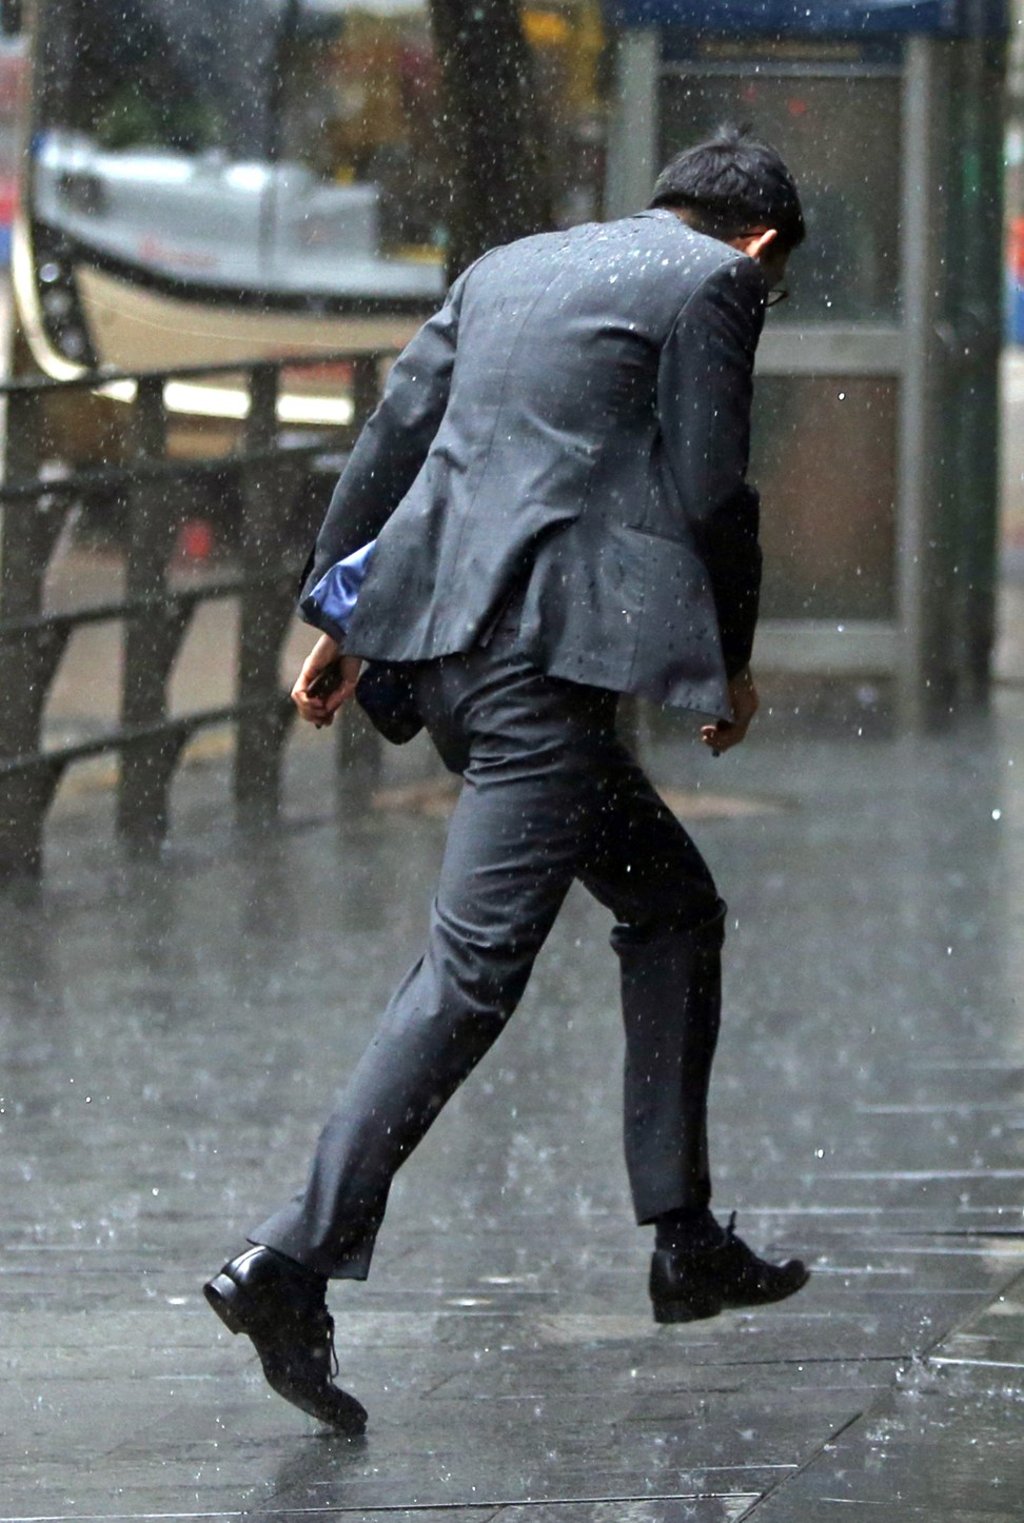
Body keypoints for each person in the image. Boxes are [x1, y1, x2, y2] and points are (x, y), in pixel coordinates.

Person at [205, 127, 810, 1433]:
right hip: (541, 668)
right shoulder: (715, 284)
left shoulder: (508, 267)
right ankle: (288, 1262)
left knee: (673, 906)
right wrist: (732, 661)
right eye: (778, 275)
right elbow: (712, 490)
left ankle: (684, 1235)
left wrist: (340, 618)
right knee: (471, 975)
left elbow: (393, 438)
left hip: (443, 650)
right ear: (761, 244)